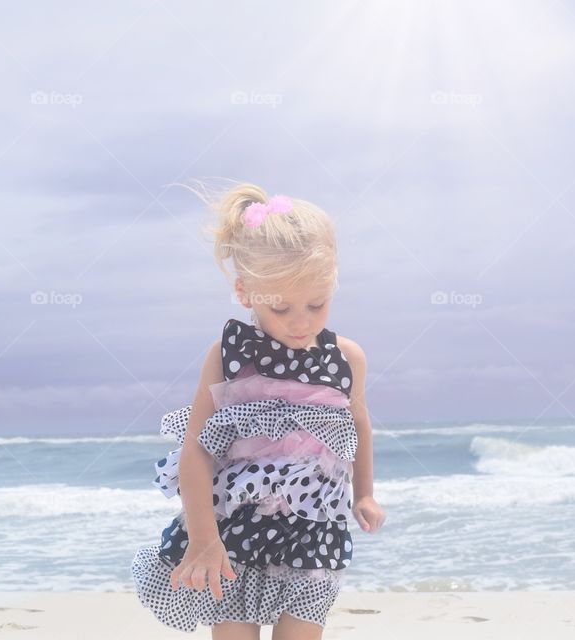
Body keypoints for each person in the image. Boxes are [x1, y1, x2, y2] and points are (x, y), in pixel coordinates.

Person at [131, 182, 386, 639]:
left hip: (314, 526)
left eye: (316, 303)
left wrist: (364, 493)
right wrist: (204, 541)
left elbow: (358, 425)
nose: (301, 320)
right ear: (245, 292)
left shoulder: (347, 358)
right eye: (280, 306)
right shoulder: (228, 356)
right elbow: (196, 452)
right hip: (233, 526)